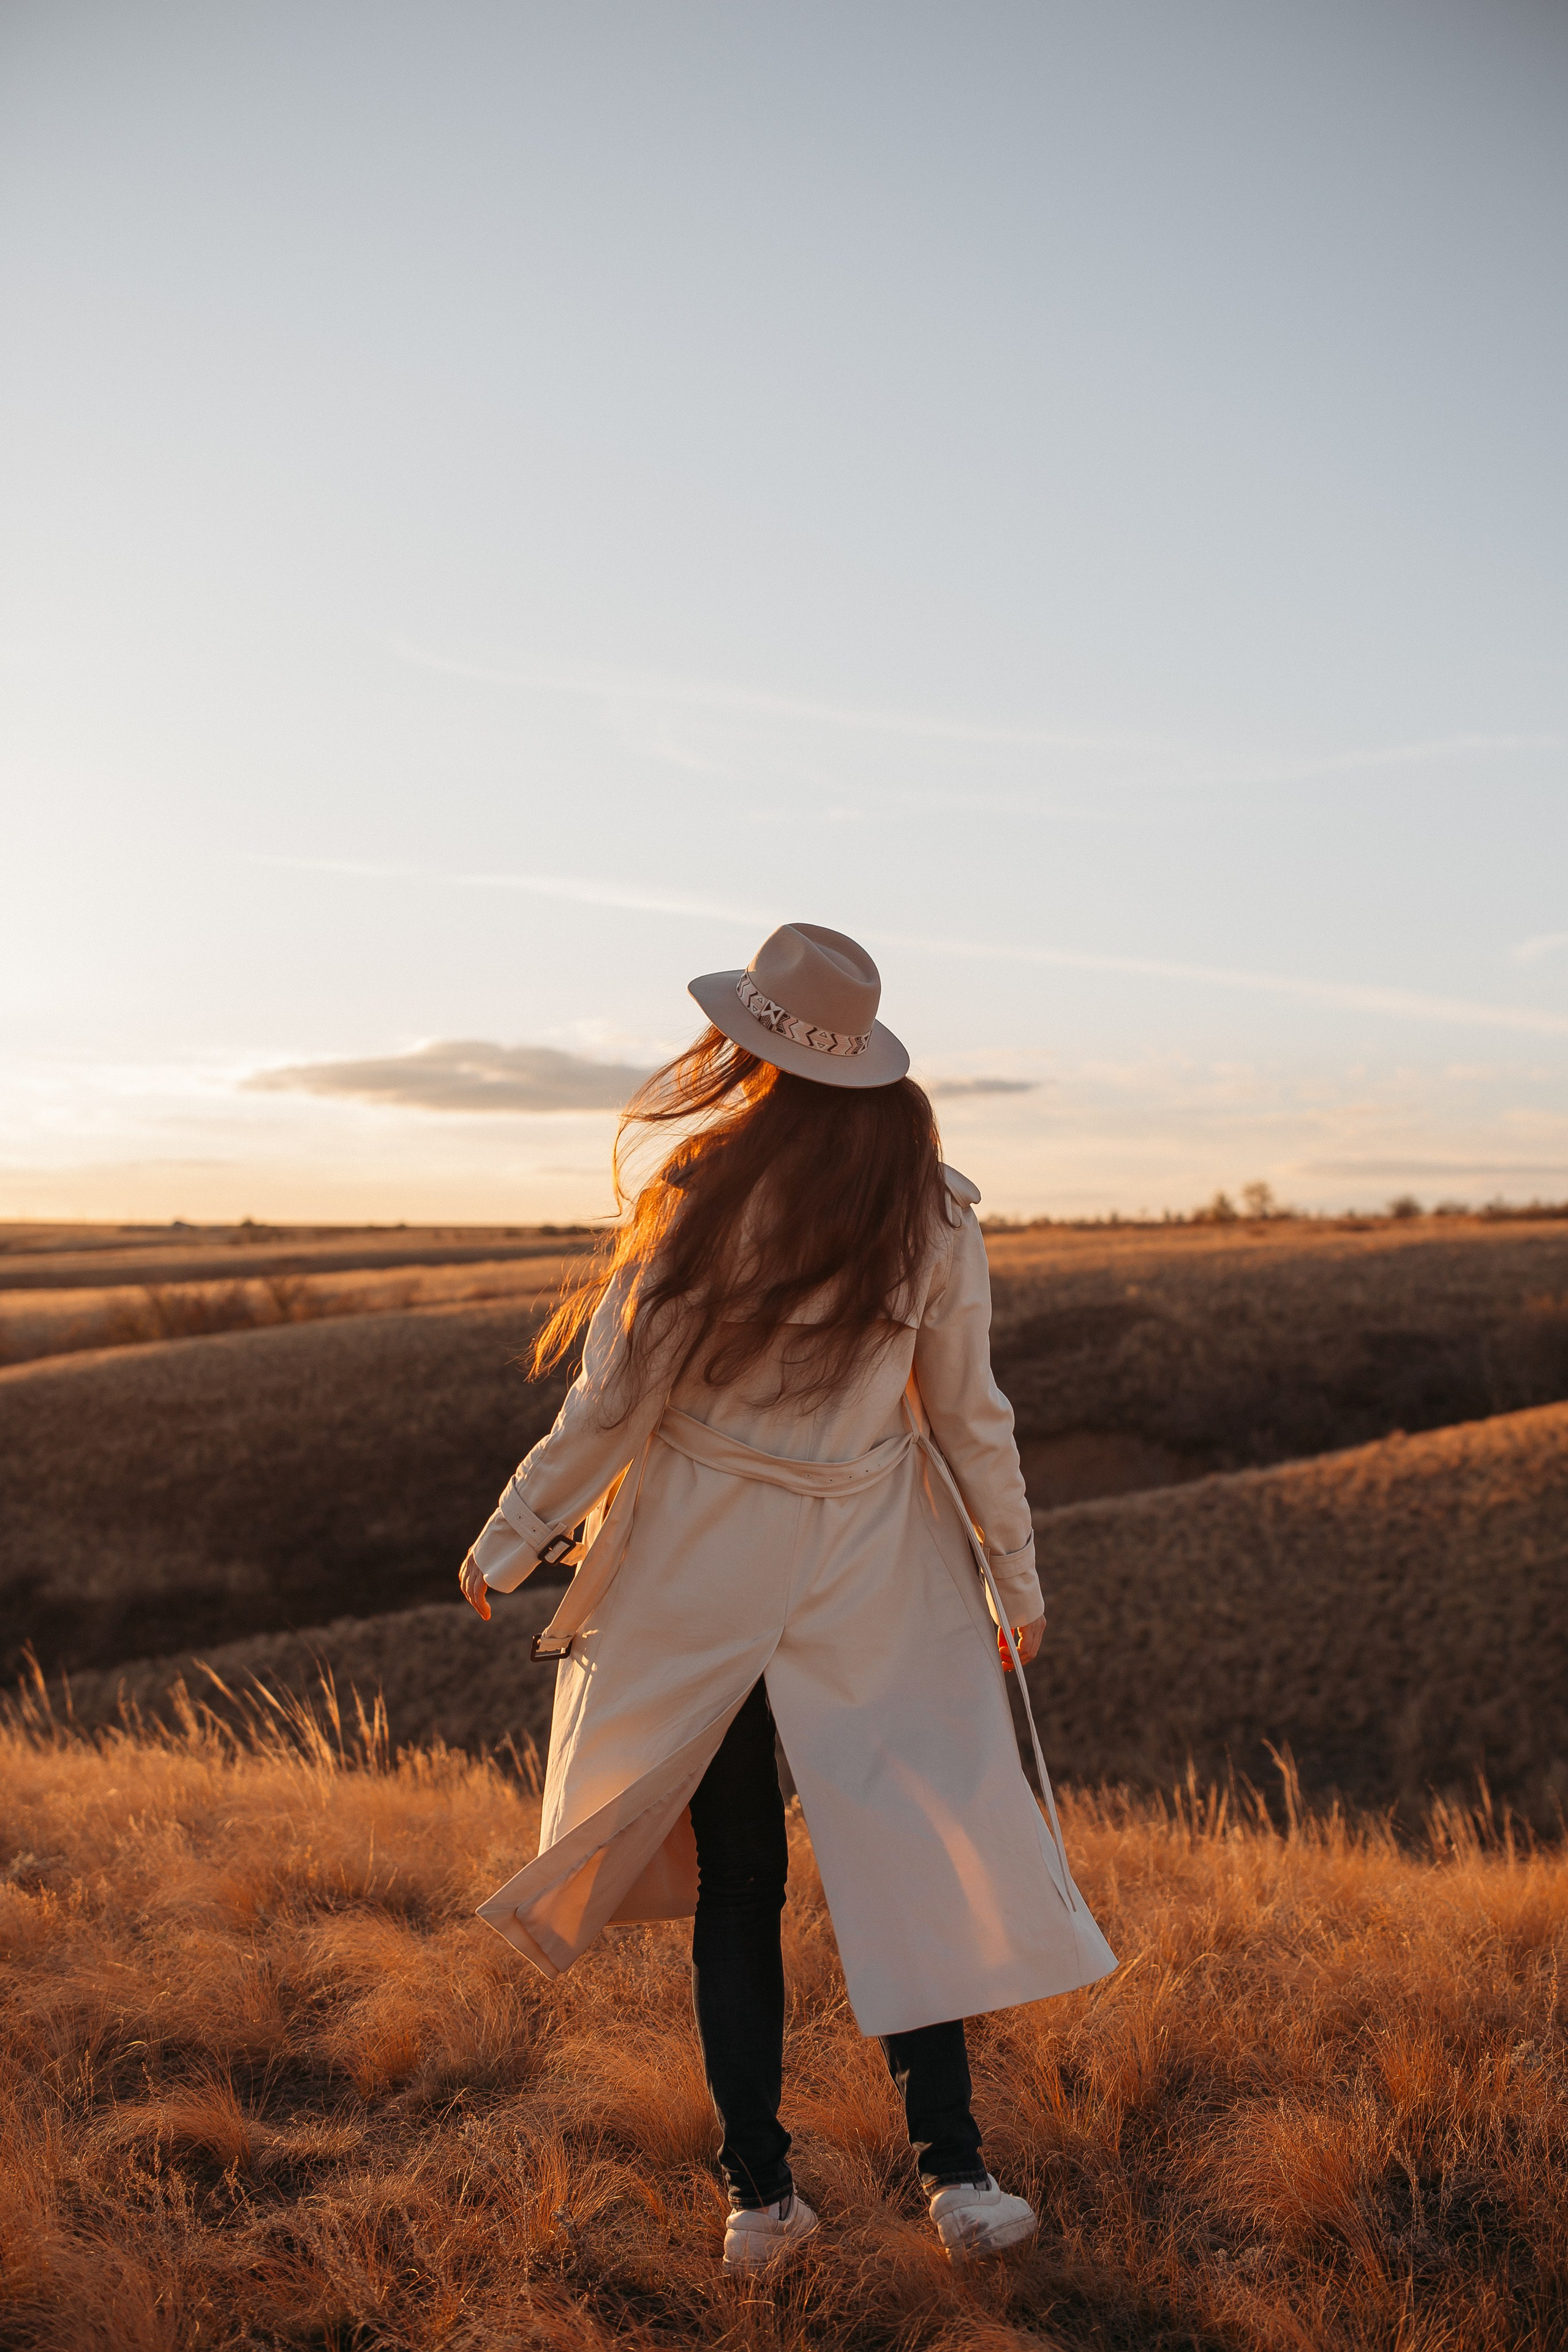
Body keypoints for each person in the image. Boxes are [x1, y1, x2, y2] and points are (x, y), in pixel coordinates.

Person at [459, 922, 1115, 2268]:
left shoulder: (704, 1192)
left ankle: (759, 2202)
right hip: (871, 1571)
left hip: (701, 1566)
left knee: (738, 1888)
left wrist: (514, 1535)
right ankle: (957, 2177)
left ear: (745, 1047)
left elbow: (610, 1403)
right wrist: (1012, 1573)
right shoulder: (930, 1207)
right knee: (905, 1858)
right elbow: (971, 1420)